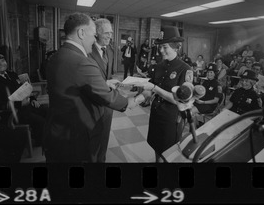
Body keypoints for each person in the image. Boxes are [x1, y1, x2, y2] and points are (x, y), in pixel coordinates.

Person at [43, 13, 138, 163]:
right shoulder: (81, 61)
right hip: (75, 137)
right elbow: (110, 98)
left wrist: (104, 83)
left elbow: (73, 83)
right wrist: (137, 99)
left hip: (57, 130)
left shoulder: (56, 56)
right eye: (94, 35)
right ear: (81, 33)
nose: (94, 40)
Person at [135, 26, 191, 162]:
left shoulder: (185, 69)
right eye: (160, 47)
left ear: (176, 47)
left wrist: (154, 88)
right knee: (156, 146)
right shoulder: (158, 66)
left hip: (171, 117)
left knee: (168, 150)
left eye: (164, 47)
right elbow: (149, 89)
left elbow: (177, 100)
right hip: (156, 113)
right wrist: (136, 100)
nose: (160, 50)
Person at [0, 52, 46, 147]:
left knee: (47, 111)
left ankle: (45, 138)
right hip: (13, 113)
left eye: (2, 61)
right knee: (40, 122)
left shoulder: (12, 74)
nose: (1, 64)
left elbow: (23, 90)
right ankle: (41, 144)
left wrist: (32, 99)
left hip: (27, 107)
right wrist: (19, 104)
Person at [89, 18, 121, 162]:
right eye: (106, 33)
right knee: (93, 139)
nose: (110, 36)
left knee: (104, 136)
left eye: (111, 33)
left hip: (107, 104)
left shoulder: (110, 50)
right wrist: (105, 83)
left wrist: (111, 82)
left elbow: (107, 73)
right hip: (92, 104)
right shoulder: (87, 51)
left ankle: (101, 160)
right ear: (96, 33)